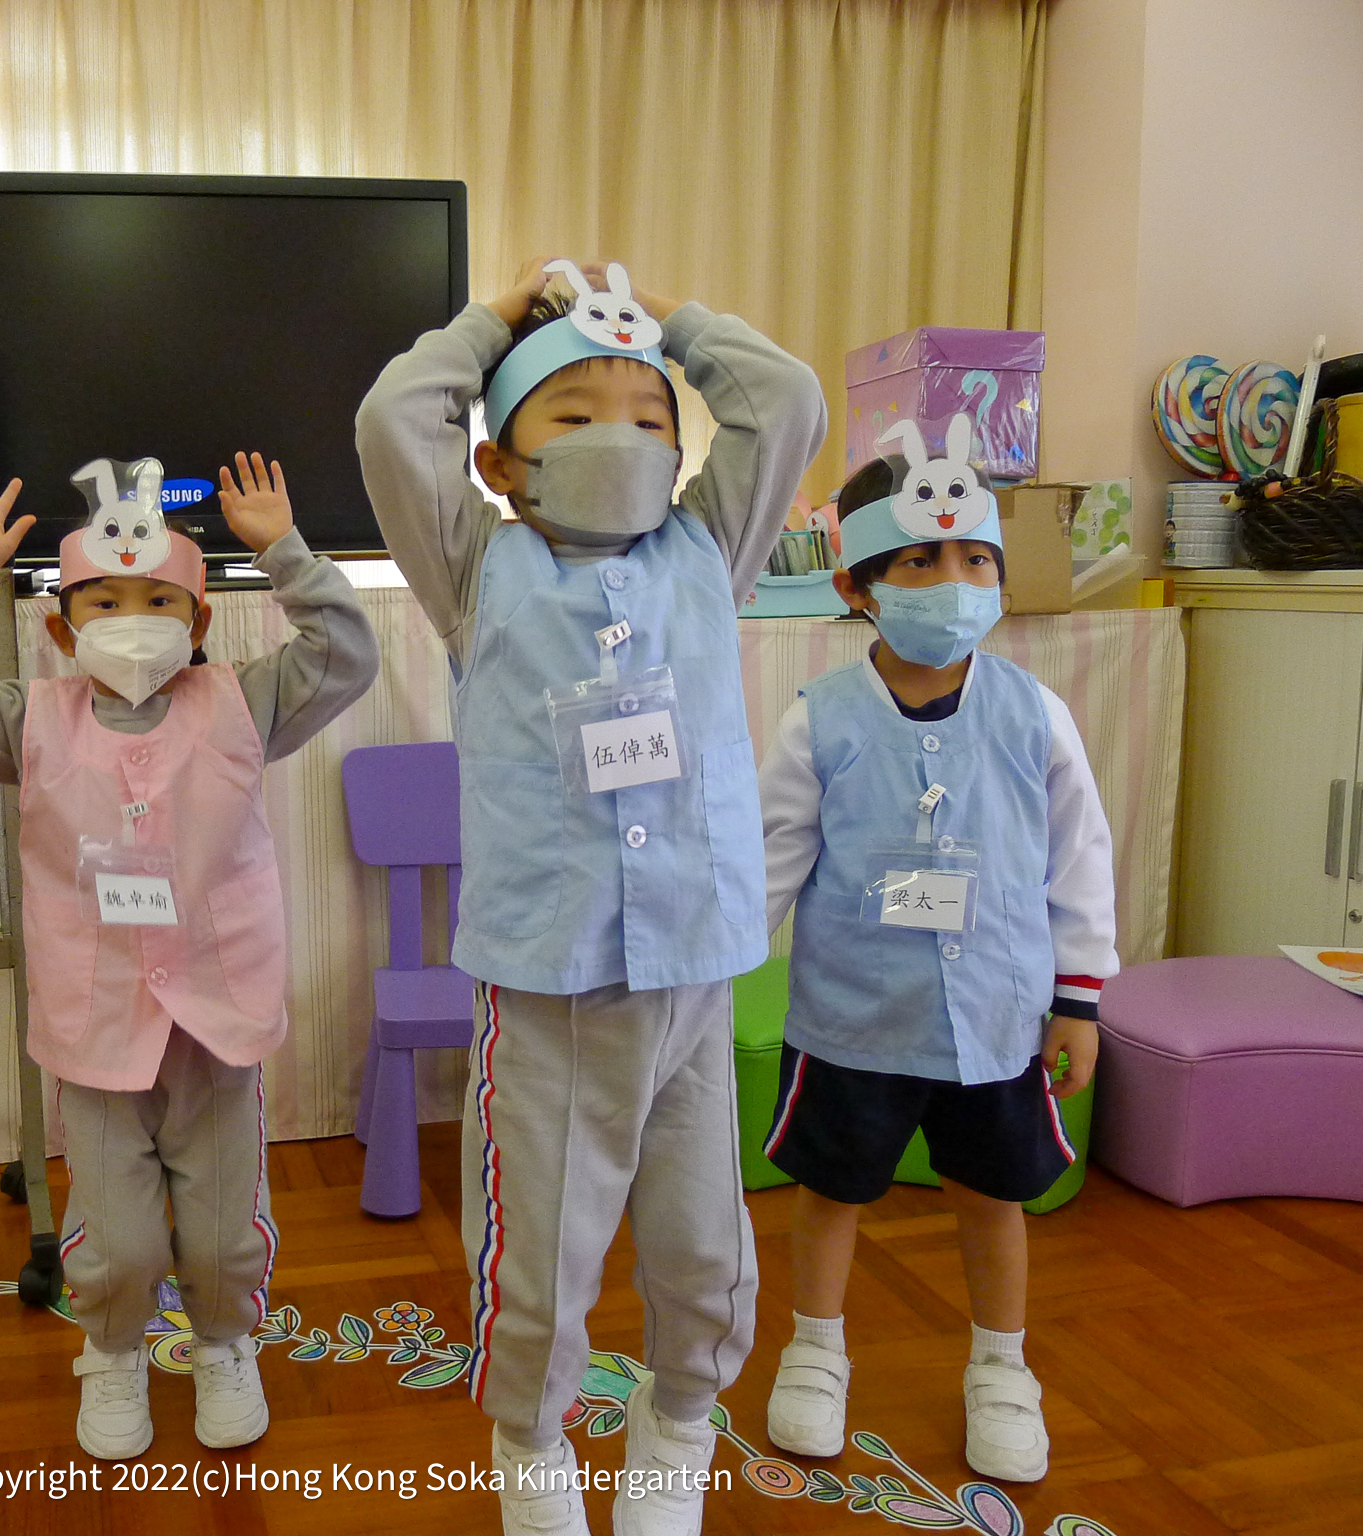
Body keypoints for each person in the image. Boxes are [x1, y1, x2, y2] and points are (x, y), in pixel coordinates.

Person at [355, 256, 826, 1536]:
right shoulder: (474, 569)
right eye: (572, 414)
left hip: (692, 971)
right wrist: (494, 318)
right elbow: (393, 421)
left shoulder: (706, 549)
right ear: (497, 464)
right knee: (542, 1258)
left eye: (647, 415)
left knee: (701, 1243)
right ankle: (531, 1444)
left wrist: (671, 317)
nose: (617, 435)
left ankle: (677, 1425)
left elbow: (783, 400)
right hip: (550, 981)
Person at [0, 451, 377, 1462]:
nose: (131, 618)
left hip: (216, 1021)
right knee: (118, 1234)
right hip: (99, 1026)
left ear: (197, 621)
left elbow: (344, 657)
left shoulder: (240, 702)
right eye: (103, 601)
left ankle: (224, 1342)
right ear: (62, 628)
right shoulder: (30, 720)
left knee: (222, 1227)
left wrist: (284, 550)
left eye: (158, 600)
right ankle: (111, 1350)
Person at [755, 425, 1119, 1485]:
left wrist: (1077, 999)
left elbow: (1078, 859)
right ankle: (814, 1348)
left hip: (997, 1018)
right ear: (857, 586)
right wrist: (701, 975)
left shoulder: (1034, 714)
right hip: (852, 1018)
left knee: (991, 1195)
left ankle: (1000, 1367)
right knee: (830, 1191)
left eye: (974, 559)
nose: (952, 582)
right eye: (919, 560)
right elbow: (769, 858)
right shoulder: (818, 721)